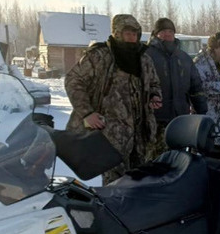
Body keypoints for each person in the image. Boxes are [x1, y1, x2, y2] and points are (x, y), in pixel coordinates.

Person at [65, 14, 162, 185]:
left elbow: (154, 82)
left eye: (135, 34)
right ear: (117, 33)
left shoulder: (143, 58)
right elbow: (73, 81)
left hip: (141, 133)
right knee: (114, 183)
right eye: (127, 33)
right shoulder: (100, 56)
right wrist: (87, 113)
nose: (132, 38)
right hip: (111, 133)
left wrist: (154, 95)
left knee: (140, 180)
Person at [145, 17, 208, 157]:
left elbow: (195, 85)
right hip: (155, 120)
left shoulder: (183, 57)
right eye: (162, 31)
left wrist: (201, 109)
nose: (167, 34)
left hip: (180, 118)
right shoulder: (146, 55)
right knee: (156, 160)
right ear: (155, 34)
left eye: (170, 31)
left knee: (178, 159)